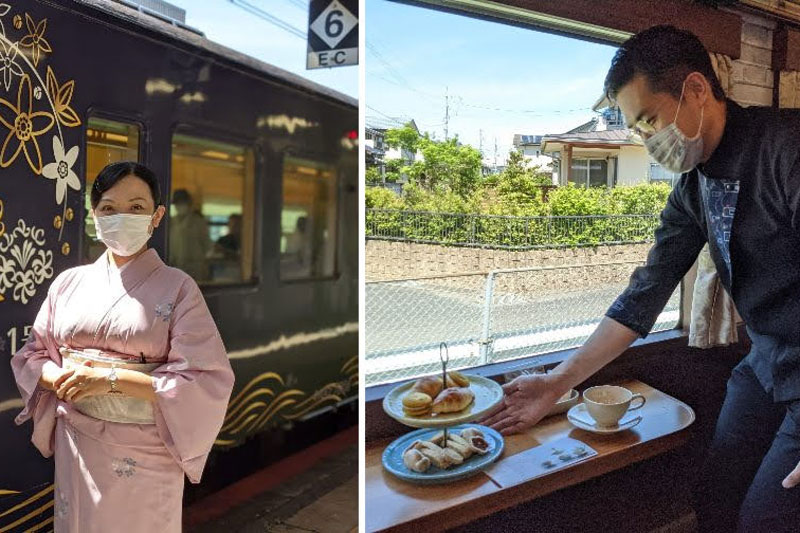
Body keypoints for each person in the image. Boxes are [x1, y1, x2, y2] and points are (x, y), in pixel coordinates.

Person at [482, 25, 800, 532]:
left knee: (767, 519)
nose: (650, 141)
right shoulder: (693, 187)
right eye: (638, 129)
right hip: (766, 364)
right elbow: (644, 293)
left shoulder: (786, 148)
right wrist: (558, 382)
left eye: (651, 120)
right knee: (714, 494)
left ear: (696, 90)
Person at [11, 161, 235, 532]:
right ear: (94, 215)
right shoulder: (68, 283)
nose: (121, 217)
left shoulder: (179, 288)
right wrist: (58, 377)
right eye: (109, 208)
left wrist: (106, 380)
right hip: (78, 443)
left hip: (145, 448)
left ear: (157, 216)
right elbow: (33, 353)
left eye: (136, 208)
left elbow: (203, 377)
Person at [168, 188, 211, 281]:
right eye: (177, 204)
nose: (179, 206)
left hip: (195, 270)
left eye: (182, 203)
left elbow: (207, 246)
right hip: (175, 268)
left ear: (188, 204)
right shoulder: (170, 222)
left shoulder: (199, 222)